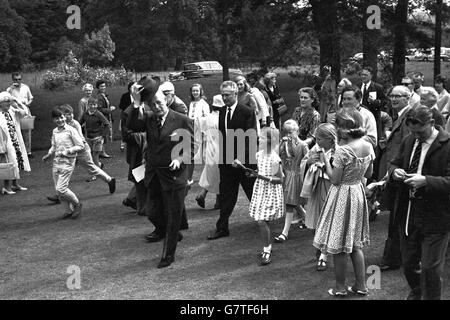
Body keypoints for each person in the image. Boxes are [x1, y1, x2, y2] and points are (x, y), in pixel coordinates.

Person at [389, 105, 450, 300]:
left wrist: (426, 181)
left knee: (431, 270)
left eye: (420, 131)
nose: (416, 136)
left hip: (437, 216)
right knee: (408, 265)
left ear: (432, 123)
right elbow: (394, 163)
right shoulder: (409, 141)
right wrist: (394, 172)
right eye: (412, 131)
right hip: (408, 213)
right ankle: (417, 293)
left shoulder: (447, 144)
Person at [313, 109, 374, 297]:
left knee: (338, 245)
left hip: (342, 195)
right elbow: (369, 174)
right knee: (355, 244)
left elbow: (335, 180)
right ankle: (361, 285)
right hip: (357, 192)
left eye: (338, 125)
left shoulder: (343, 151)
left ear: (345, 128)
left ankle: (340, 287)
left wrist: (325, 161)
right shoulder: (367, 145)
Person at [142, 90, 194, 268]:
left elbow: (190, 149)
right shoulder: (149, 119)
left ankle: (168, 255)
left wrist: (179, 160)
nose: (156, 107)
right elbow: (131, 125)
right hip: (154, 175)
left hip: (174, 177)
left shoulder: (182, 120)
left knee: (173, 217)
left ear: (167, 100)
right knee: (151, 211)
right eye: (152, 105)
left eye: (159, 103)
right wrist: (135, 101)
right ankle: (172, 231)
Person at [207, 81, 258, 240]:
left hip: (245, 163)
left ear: (236, 94)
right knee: (226, 196)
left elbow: (251, 138)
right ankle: (222, 227)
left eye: (227, 95)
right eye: (222, 95)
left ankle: (264, 221)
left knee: (253, 194)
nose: (224, 98)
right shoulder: (221, 112)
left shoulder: (247, 112)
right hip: (226, 163)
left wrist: (240, 158)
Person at [378, 85, 413, 271]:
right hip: (395, 170)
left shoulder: (408, 117)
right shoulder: (401, 115)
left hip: (400, 174)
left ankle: (393, 258)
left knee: (398, 217)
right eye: (392, 96)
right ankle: (394, 257)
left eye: (398, 96)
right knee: (395, 216)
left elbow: (406, 147)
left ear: (408, 97)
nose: (393, 99)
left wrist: (394, 170)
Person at [300, 123, 338, 271]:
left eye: (320, 138)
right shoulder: (315, 149)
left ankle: (324, 254)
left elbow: (336, 174)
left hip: (331, 188)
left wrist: (324, 164)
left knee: (328, 220)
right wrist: (309, 162)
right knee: (315, 220)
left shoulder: (338, 151)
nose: (317, 141)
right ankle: (320, 243)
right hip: (316, 187)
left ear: (329, 139)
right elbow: (303, 162)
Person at [247, 127, 285, 265]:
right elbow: (260, 170)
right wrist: (254, 173)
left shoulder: (275, 158)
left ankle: (267, 249)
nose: (259, 139)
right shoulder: (258, 155)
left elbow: (280, 179)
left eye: (262, 138)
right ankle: (267, 246)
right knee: (262, 220)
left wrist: (263, 177)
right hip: (260, 190)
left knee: (261, 221)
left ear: (270, 141)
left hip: (271, 191)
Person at [122, 78, 158, 217]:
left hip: (151, 152)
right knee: (139, 182)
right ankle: (142, 208)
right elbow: (127, 134)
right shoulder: (128, 111)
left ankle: (148, 205)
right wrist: (144, 136)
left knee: (151, 180)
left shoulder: (151, 107)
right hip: (137, 153)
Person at [42, 107, 84, 219]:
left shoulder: (71, 130)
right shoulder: (55, 131)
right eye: (57, 118)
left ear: (64, 117)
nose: (60, 120)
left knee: (61, 189)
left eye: (61, 117)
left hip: (68, 162)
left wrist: (67, 151)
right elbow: (54, 146)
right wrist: (49, 154)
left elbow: (81, 145)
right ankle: (68, 211)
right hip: (56, 162)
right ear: (53, 120)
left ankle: (77, 204)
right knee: (58, 189)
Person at [274, 119, 308, 243]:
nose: (288, 135)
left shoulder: (302, 144)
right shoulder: (284, 144)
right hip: (286, 174)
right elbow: (276, 155)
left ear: (297, 131)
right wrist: (281, 144)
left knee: (290, 203)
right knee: (293, 202)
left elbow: (307, 159)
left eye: (291, 132)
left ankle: (285, 232)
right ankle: (309, 220)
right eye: (286, 132)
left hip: (296, 175)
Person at [195, 94, 223, 210]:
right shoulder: (221, 119)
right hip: (219, 149)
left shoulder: (206, 119)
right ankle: (217, 200)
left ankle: (204, 194)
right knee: (220, 175)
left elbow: (200, 129)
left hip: (208, 149)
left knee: (211, 173)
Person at [0, 92, 29, 194]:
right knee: (9, 163)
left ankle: (15, 184)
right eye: (6, 101)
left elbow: (24, 113)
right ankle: (6, 187)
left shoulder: (12, 111)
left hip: (15, 140)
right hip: (5, 143)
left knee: (17, 161)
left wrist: (17, 103)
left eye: (9, 101)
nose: (8, 103)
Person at [79, 98, 112, 181]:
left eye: (94, 105)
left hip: (98, 138)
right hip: (89, 138)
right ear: (88, 105)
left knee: (95, 156)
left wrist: (102, 136)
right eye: (90, 104)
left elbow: (107, 124)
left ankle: (95, 175)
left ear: (97, 105)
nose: (92, 106)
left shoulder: (99, 114)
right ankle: (99, 166)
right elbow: (79, 124)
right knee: (90, 156)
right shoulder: (85, 114)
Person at [6, 72, 34, 158]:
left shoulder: (26, 87)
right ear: (12, 79)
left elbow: (31, 98)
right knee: (16, 132)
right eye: (15, 79)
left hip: (25, 112)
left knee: (27, 132)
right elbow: (7, 101)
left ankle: (28, 152)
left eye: (19, 79)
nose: (17, 81)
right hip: (14, 113)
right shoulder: (9, 90)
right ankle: (19, 152)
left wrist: (28, 103)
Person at [188, 83, 210, 187]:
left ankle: (207, 177)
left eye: (197, 91)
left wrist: (197, 121)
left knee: (204, 155)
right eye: (193, 91)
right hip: (192, 130)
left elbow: (207, 117)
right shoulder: (191, 103)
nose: (195, 93)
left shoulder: (203, 104)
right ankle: (189, 177)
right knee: (192, 155)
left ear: (201, 92)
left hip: (201, 131)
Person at [360, 66, 388, 140]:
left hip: (373, 115)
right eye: (362, 74)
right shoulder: (357, 86)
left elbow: (385, 101)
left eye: (365, 75)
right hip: (359, 116)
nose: (363, 76)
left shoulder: (377, 87)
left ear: (371, 76)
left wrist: (376, 102)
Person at [96, 80, 116, 159]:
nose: (103, 87)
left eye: (104, 86)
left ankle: (101, 151)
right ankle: (101, 152)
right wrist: (109, 110)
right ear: (98, 87)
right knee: (102, 135)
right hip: (102, 118)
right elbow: (99, 109)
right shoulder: (99, 97)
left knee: (104, 135)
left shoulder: (104, 95)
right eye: (101, 86)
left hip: (107, 117)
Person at [118, 81, 136, 151]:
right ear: (129, 88)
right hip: (126, 115)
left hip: (135, 115)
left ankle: (134, 143)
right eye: (132, 87)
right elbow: (121, 106)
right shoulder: (125, 96)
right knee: (124, 130)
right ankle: (122, 144)